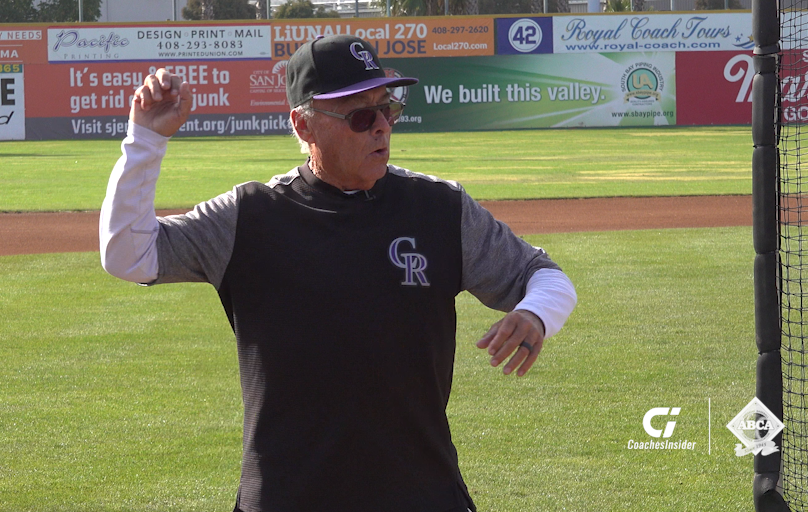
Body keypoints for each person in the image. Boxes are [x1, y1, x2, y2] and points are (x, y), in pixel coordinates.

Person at [101, 35, 576, 512]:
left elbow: (543, 274)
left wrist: (535, 314)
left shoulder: (439, 208)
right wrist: (146, 140)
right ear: (304, 124)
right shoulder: (250, 217)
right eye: (360, 116)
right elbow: (128, 255)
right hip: (287, 498)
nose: (382, 127)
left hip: (422, 495)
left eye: (387, 108)